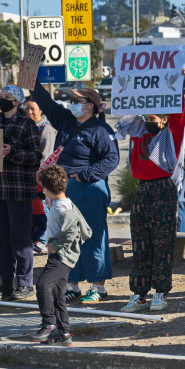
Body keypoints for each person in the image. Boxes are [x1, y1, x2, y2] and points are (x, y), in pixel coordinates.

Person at [31, 78, 119, 304]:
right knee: (69, 238)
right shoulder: (68, 122)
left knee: (93, 236)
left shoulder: (101, 129)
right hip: (65, 190)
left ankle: (98, 286)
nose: (73, 103)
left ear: (89, 105)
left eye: (77, 100)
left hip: (90, 189)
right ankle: (73, 284)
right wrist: (31, 78)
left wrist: (84, 175)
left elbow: (111, 159)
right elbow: (46, 102)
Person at [114, 91, 185, 313]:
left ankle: (160, 292)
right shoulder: (139, 132)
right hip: (142, 189)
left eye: (153, 119)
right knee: (140, 242)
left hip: (164, 188)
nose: (148, 122)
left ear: (164, 119)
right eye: (147, 118)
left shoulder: (170, 135)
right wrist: (126, 83)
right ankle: (139, 293)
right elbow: (128, 109)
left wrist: (179, 84)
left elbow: (179, 114)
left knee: (162, 242)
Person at [0, 85, 42, 300]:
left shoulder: (26, 123)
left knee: (20, 238)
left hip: (18, 189)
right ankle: (6, 282)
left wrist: (12, 152)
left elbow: (35, 156)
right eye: (0, 96)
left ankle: (25, 283)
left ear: (17, 101)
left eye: (7, 97)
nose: (2, 100)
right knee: (0, 239)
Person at [30, 164, 91, 346]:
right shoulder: (63, 202)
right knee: (57, 293)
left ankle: (48, 323)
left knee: (43, 285)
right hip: (63, 255)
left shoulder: (62, 207)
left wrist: (54, 246)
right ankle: (64, 333)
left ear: (47, 189)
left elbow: (72, 230)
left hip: (61, 256)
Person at [25, 97, 57, 253]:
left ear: (41, 110)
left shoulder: (45, 129)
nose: (29, 112)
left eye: (33, 109)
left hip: (40, 177)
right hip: (29, 177)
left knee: (43, 209)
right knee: (36, 211)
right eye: (27, 109)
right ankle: (36, 238)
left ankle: (42, 239)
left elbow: (47, 157)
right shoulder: (28, 127)